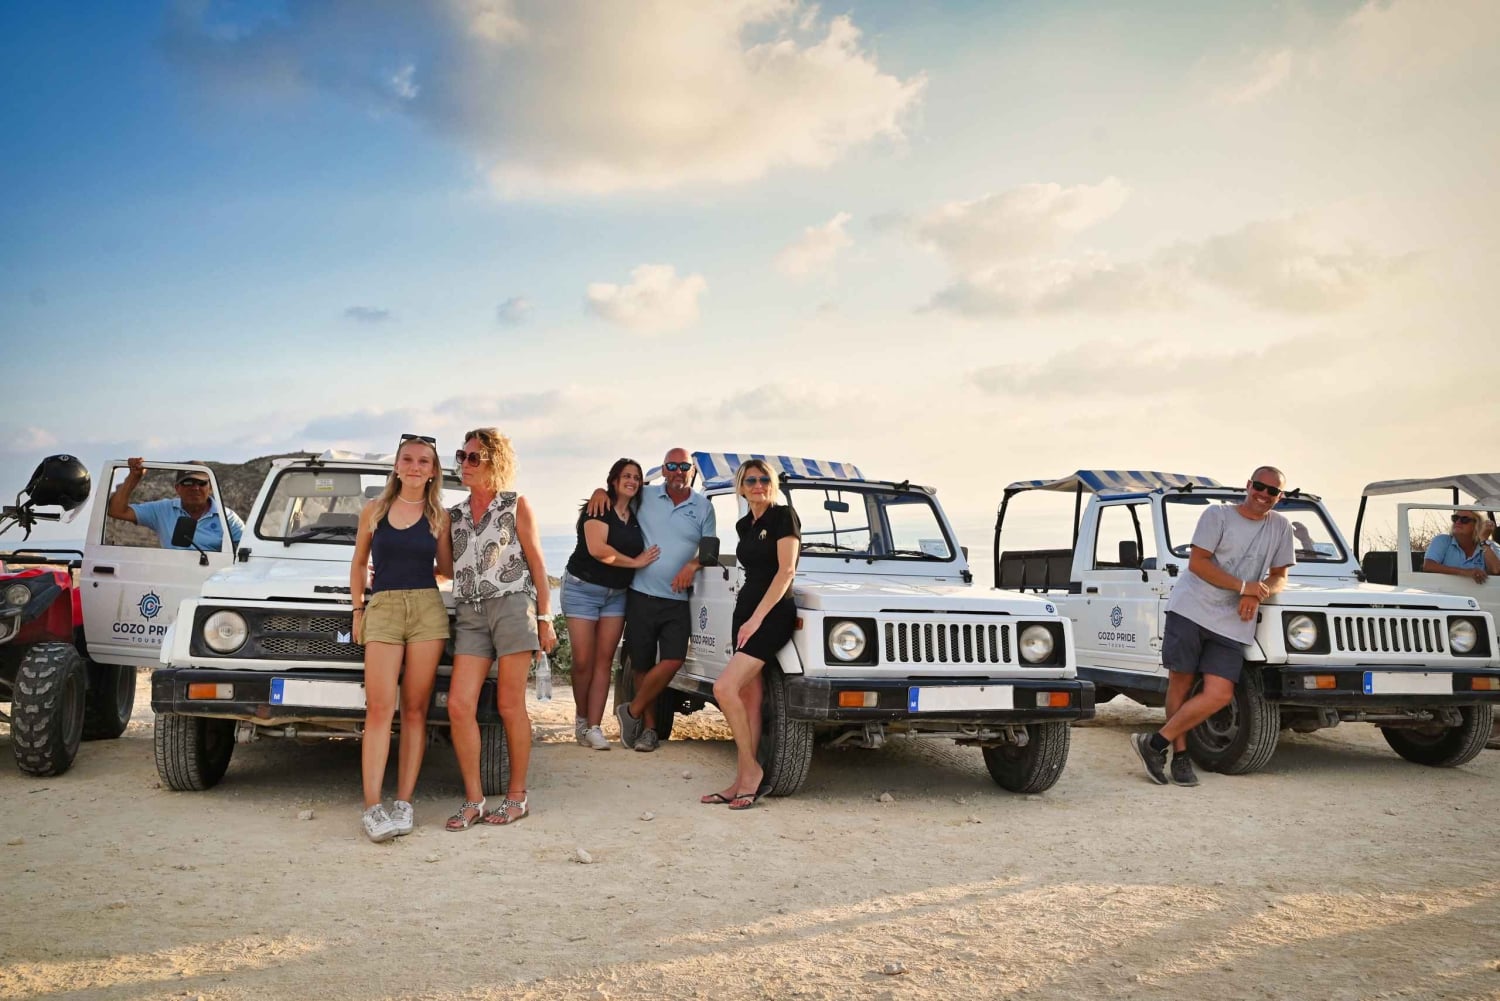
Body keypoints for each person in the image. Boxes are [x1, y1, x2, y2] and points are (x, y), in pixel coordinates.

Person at [1132, 466, 1296, 788]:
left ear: (1280, 497)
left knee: (1219, 694)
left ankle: (1154, 744)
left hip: (1232, 621)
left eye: (1272, 491)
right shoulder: (1217, 515)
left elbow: (1279, 576)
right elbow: (1198, 563)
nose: (1263, 495)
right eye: (1259, 487)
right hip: (1191, 608)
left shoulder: (1281, 527)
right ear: (1248, 485)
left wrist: (1259, 592)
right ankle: (1180, 757)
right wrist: (1244, 587)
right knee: (1180, 683)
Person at [444, 428, 556, 830]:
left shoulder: (515, 505)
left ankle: (517, 796)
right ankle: (473, 799)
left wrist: (545, 619)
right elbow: (445, 567)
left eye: (474, 457)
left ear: (495, 461)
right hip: (471, 612)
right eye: (463, 455)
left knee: (510, 706)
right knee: (459, 705)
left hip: (512, 606)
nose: (465, 464)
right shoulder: (453, 515)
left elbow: (538, 565)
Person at [349, 435, 453, 843]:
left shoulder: (438, 516)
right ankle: (372, 807)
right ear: (396, 466)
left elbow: (444, 569)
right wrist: (359, 609)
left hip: (427, 610)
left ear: (432, 471)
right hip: (384, 608)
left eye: (423, 461)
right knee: (378, 709)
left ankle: (404, 802)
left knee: (414, 709)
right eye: (407, 459)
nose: (414, 466)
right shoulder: (374, 510)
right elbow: (359, 563)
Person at [590, 447, 715, 752]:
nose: (677, 471)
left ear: (692, 472)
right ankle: (648, 730)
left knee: (673, 660)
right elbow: (618, 493)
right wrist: (597, 491)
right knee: (643, 665)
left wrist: (693, 564)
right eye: (671, 466)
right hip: (641, 595)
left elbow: (709, 551)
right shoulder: (645, 496)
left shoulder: (703, 507)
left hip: (677, 600)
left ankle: (630, 711)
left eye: (683, 466)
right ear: (663, 469)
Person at [700, 460, 799, 810]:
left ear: (772, 484)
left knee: (723, 688)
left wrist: (756, 619)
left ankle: (752, 772)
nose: (758, 485)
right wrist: (746, 617)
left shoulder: (783, 517)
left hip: (770, 615)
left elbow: (786, 571)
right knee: (748, 697)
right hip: (745, 612)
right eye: (751, 480)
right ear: (740, 487)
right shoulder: (745, 524)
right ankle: (741, 779)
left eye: (764, 479)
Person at [561, 459, 659, 751]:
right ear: (614, 480)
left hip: (616, 594)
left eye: (636, 477)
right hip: (582, 589)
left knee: (605, 661)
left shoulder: (638, 513)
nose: (631, 481)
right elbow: (598, 550)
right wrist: (636, 562)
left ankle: (594, 727)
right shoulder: (598, 507)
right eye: (626, 476)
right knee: (582, 661)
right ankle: (580, 718)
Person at [106, 458, 244, 550]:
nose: (195, 488)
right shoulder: (162, 510)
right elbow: (116, 511)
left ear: (210, 488)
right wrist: (134, 477)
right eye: (188, 482)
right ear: (177, 488)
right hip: (172, 578)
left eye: (201, 483)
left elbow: (248, 552)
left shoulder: (228, 518)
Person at [1421, 510, 1500, 584]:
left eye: (1464, 520)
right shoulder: (1442, 540)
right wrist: (1466, 572)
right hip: (1445, 592)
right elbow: (1428, 566)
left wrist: (1483, 540)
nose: (1458, 522)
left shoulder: (1490, 546)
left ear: (1477, 525)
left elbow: (1496, 571)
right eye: (1455, 518)